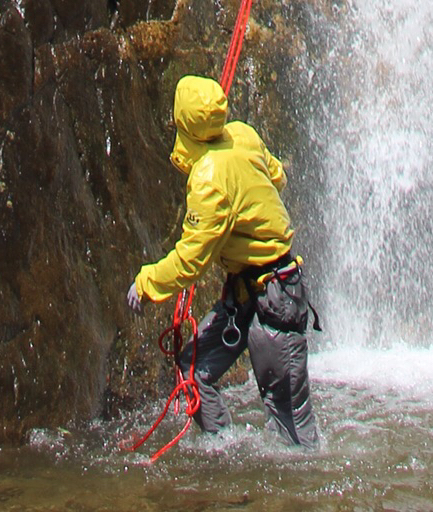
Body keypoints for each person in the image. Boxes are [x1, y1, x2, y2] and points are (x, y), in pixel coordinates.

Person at [126, 74, 319, 448]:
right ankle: (224, 452)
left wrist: (145, 284)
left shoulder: (208, 179)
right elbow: (276, 177)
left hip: (275, 294)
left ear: (182, 122)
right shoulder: (243, 135)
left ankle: (304, 482)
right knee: (192, 371)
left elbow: (191, 261)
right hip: (248, 292)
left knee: (291, 420)